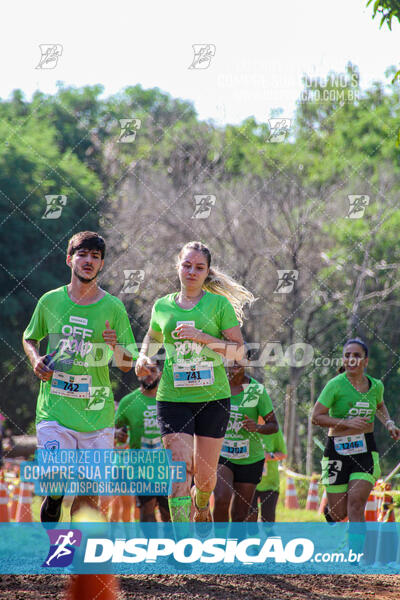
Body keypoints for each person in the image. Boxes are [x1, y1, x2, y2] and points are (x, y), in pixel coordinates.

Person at [22, 231, 138, 522]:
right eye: (82, 254)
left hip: (96, 418)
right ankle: (54, 499)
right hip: (55, 411)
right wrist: (36, 361)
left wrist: (115, 346)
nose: (88, 261)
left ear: (101, 265)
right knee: (56, 479)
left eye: (95, 257)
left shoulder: (113, 307)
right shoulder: (50, 301)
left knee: (88, 499)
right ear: (69, 259)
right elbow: (30, 338)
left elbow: (127, 365)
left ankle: (76, 560)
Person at [135, 241, 254, 523]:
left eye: (199, 267)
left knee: (204, 479)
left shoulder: (218, 304)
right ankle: (182, 545)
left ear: (207, 272)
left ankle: (201, 503)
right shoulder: (162, 305)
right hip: (173, 398)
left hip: (212, 399)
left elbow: (239, 351)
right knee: (178, 468)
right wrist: (143, 357)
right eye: (186, 265)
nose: (191, 271)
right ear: (178, 266)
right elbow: (153, 337)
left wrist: (202, 337)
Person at [312, 338, 400, 523]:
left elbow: (380, 406)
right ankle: (332, 512)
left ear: (365, 361)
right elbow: (316, 417)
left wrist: (389, 423)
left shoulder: (376, 386)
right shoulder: (335, 385)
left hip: (365, 450)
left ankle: (357, 552)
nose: (351, 359)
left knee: (356, 505)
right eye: (347, 355)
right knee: (338, 513)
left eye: (357, 356)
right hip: (336, 451)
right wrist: (347, 423)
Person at [213, 354, 279, 522]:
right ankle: (219, 545)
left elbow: (273, 425)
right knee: (221, 498)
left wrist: (256, 427)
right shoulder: (218, 386)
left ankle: (236, 546)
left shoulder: (254, 390)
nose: (235, 362)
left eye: (241, 358)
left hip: (250, 458)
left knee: (240, 514)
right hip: (222, 454)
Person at [115, 359, 170, 522]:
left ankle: (172, 545)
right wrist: (117, 433)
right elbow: (113, 429)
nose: (148, 375)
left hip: (168, 466)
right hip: (141, 467)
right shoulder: (128, 402)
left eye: (152, 370)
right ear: (138, 373)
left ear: (159, 373)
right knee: (146, 511)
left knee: (168, 512)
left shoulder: (170, 399)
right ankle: (150, 547)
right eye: (144, 371)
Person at [249, 428, 287, 522]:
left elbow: (283, 454)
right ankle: (253, 535)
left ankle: (269, 534)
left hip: (270, 483)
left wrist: (269, 456)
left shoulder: (274, 430)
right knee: (250, 519)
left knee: (268, 521)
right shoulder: (248, 428)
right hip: (250, 481)